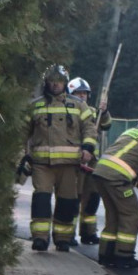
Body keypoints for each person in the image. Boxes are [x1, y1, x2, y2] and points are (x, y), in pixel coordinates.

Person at [25, 64, 98, 252]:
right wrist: (23, 157)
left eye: (59, 81)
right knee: (41, 199)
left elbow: (89, 128)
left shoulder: (78, 105)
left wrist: (88, 147)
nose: (55, 85)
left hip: (69, 165)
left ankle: (63, 238)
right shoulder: (35, 106)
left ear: (65, 83)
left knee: (67, 201)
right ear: (46, 82)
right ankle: (40, 237)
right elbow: (22, 133)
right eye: (52, 81)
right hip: (42, 164)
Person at [90, 108, 138, 269]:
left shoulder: (131, 132)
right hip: (116, 178)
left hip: (101, 174)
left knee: (113, 215)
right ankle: (124, 256)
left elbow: (131, 173)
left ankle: (106, 255)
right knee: (132, 214)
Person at [67, 77, 111, 245]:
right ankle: (68, 235)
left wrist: (104, 112)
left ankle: (88, 233)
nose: (82, 96)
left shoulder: (94, 112)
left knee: (92, 198)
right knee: (72, 199)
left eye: (85, 93)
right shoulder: (66, 111)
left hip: (92, 163)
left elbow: (107, 125)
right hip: (75, 161)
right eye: (79, 93)